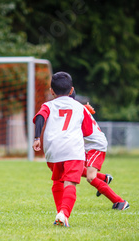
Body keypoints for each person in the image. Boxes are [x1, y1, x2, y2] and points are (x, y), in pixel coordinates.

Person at [33, 72, 94, 227]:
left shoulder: (48, 105)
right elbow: (88, 132)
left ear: (52, 91)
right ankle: (64, 213)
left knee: (57, 181)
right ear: (71, 90)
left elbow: (40, 117)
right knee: (70, 183)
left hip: (52, 150)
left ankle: (60, 214)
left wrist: (36, 138)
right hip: (73, 150)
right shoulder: (80, 108)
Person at [69, 90, 129, 210]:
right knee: (74, 168)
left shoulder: (75, 110)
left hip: (96, 145)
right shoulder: (76, 108)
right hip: (89, 145)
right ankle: (104, 179)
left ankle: (120, 202)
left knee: (91, 177)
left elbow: (82, 128)